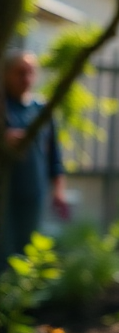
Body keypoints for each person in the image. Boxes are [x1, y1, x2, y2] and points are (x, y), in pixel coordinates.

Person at [3, 52, 68, 259]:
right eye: (20, 73)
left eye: (31, 73)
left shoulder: (40, 109)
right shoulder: (3, 108)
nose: (26, 79)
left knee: (26, 251)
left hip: (33, 192)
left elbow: (54, 155)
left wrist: (58, 190)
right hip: (5, 194)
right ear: (5, 74)